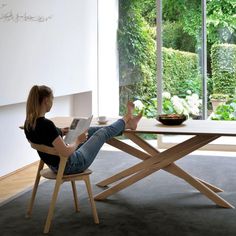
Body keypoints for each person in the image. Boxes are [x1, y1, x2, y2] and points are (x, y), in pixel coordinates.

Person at [24, 85, 142, 174]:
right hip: (71, 164)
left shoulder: (29, 124)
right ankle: (127, 116)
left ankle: (128, 125)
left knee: (89, 130)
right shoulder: (47, 125)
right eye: (51, 100)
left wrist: (60, 131)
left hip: (55, 165)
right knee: (102, 132)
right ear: (45, 101)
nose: (52, 103)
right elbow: (65, 152)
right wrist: (78, 140)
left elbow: (46, 137)